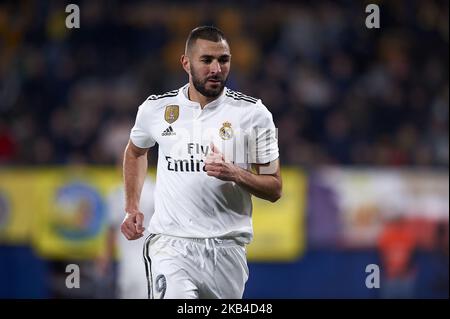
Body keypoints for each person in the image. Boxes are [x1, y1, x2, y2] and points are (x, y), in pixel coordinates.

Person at [121, 26, 282, 299]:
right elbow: (135, 151)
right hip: (172, 244)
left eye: (224, 59)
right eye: (206, 60)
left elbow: (275, 187)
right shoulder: (156, 109)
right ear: (186, 63)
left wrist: (235, 174)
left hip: (227, 250)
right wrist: (132, 207)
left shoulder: (255, 115)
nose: (216, 69)